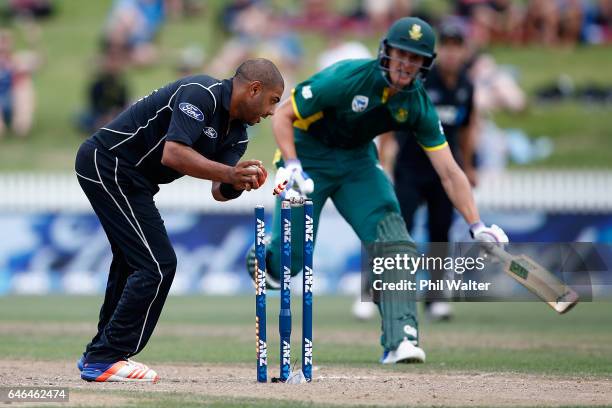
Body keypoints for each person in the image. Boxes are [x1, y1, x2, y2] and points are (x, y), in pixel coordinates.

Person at [247, 17, 508, 365]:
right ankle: (264, 259)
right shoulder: (346, 77)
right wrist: (292, 165)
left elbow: (449, 171)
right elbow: (283, 116)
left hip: (357, 163)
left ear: (424, 64)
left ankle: (401, 338)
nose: (406, 65)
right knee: (291, 258)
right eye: (401, 55)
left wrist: (478, 225)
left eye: (415, 59)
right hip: (306, 154)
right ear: (386, 52)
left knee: (394, 239)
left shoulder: (417, 103)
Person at [75, 58, 284, 382]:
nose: (271, 112)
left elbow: (219, 190)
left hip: (134, 182)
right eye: (272, 100)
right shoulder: (201, 93)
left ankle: (99, 353)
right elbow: (173, 154)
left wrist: (239, 181)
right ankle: (106, 357)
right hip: (108, 162)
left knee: (135, 263)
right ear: (254, 89)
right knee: (157, 265)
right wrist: (230, 171)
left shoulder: (239, 134)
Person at [379, 21, 479, 321]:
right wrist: (386, 160)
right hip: (409, 168)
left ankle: (435, 298)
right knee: (400, 231)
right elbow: (389, 118)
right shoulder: (420, 79)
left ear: (464, 51)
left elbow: (467, 128)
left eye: (456, 46)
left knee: (440, 233)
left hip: (444, 172)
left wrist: (469, 165)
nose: (450, 52)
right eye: (445, 46)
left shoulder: (466, 86)